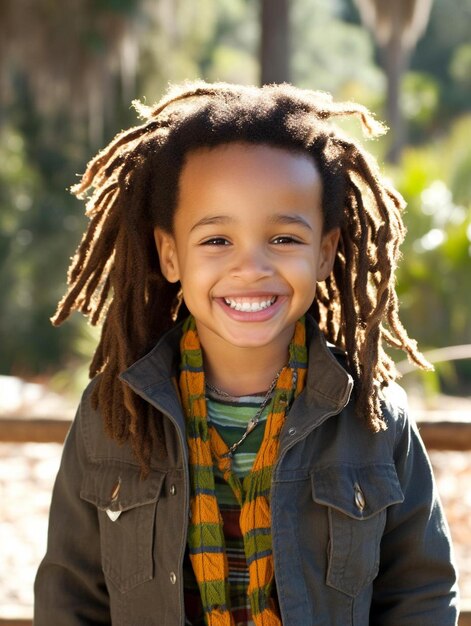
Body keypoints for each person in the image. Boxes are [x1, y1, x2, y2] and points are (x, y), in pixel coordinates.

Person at [34, 81, 459, 626]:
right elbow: (71, 599)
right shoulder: (112, 416)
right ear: (170, 254)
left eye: (284, 239)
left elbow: (419, 593)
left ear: (325, 253)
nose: (251, 267)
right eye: (216, 240)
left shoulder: (375, 420)